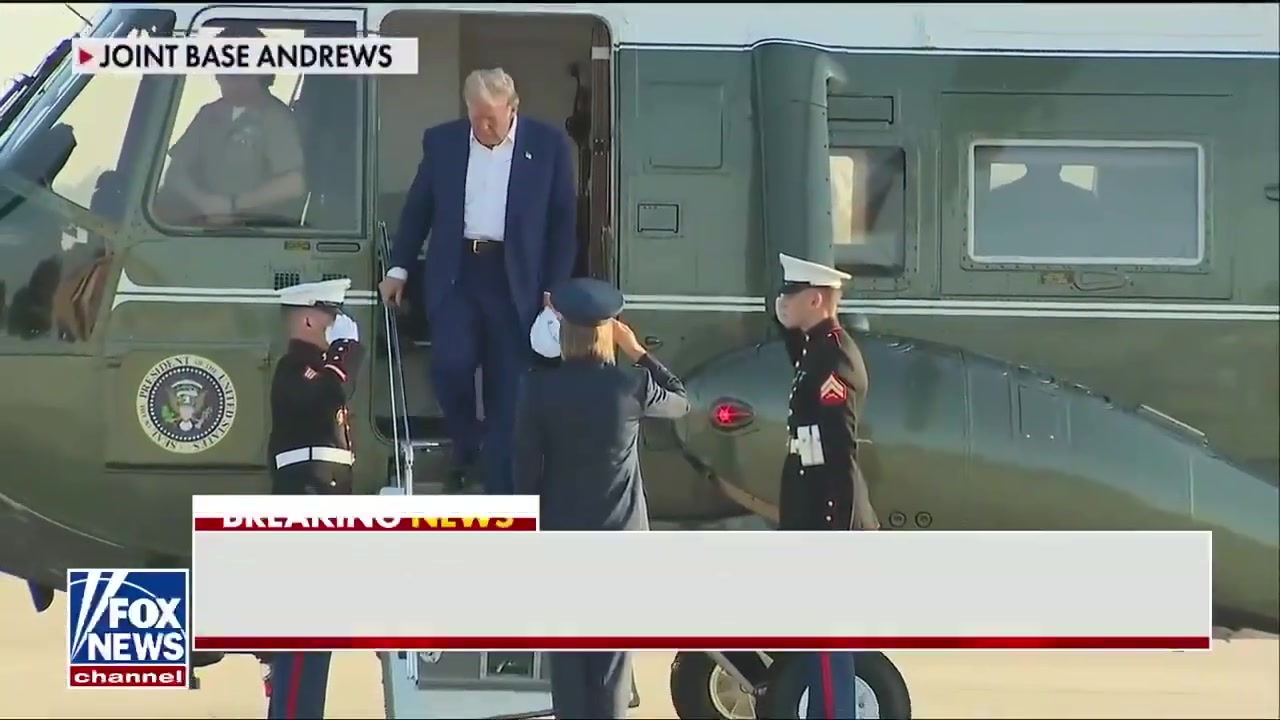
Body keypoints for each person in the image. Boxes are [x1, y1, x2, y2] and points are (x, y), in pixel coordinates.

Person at [379, 68, 576, 495]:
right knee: (450, 364)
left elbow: (563, 226)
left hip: (516, 279)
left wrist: (554, 288)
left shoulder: (547, 145)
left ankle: (499, 490)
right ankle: (468, 441)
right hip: (458, 274)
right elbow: (418, 209)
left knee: (509, 388)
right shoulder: (443, 142)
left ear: (513, 108)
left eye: (492, 117)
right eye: (475, 115)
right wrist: (399, 268)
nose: (483, 126)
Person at [511, 278, 688, 719]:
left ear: (564, 334)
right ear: (610, 332)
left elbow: (525, 473)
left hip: (562, 543)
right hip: (620, 545)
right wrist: (638, 351)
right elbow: (682, 401)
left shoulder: (537, 389)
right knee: (610, 667)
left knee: (568, 665)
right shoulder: (631, 385)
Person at [764, 253, 879, 720]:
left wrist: (832, 534)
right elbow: (799, 356)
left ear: (814, 299)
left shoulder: (835, 357)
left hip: (828, 518)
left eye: (790, 296)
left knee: (827, 641)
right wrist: (781, 320)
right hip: (810, 512)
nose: (783, 302)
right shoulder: (817, 349)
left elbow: (838, 452)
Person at [264, 277, 363, 718]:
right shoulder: (295, 370)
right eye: (330, 313)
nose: (336, 322)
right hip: (306, 511)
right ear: (307, 318)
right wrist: (346, 352)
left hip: (322, 511)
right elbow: (329, 393)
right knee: (304, 633)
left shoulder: (315, 371)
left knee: (317, 635)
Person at [153, 26, 306, 228]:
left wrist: (234, 206)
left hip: (249, 232)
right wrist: (204, 203)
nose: (222, 78)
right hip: (197, 225)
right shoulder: (208, 114)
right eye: (219, 70)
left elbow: (293, 184)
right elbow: (176, 170)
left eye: (233, 72)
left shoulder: (277, 119)